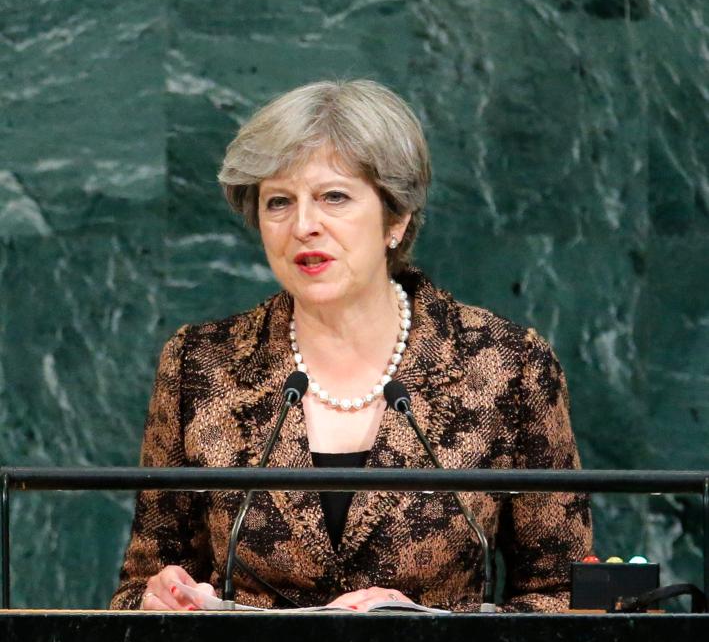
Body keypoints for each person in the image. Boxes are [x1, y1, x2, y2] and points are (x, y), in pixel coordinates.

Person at [110, 79, 592, 614]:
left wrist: (427, 624)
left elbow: (562, 597)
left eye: (333, 197)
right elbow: (139, 588)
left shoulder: (507, 365)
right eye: (278, 203)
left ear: (396, 217)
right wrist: (157, 600)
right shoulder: (202, 364)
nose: (304, 226)